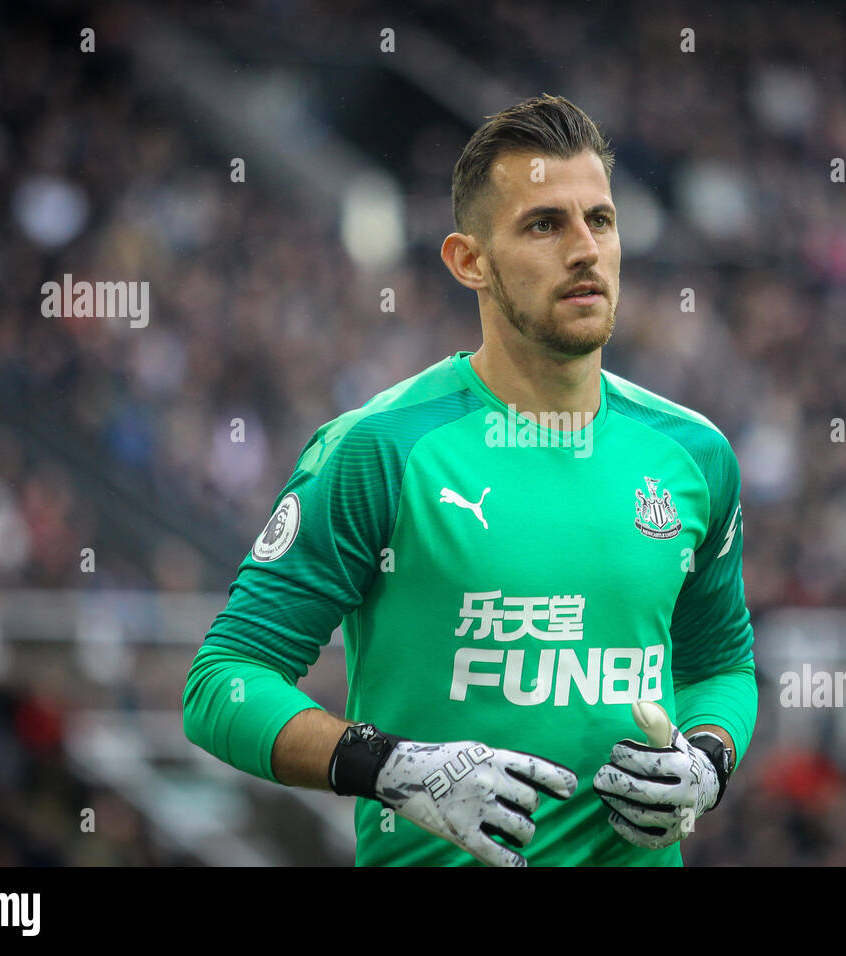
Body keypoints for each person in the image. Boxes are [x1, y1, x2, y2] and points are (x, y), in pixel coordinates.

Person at [183, 94, 758, 866]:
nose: (585, 249)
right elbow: (223, 682)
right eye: (545, 224)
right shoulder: (381, 449)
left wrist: (708, 760)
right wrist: (386, 765)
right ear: (468, 260)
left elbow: (721, 666)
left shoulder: (696, 455)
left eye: (602, 220)